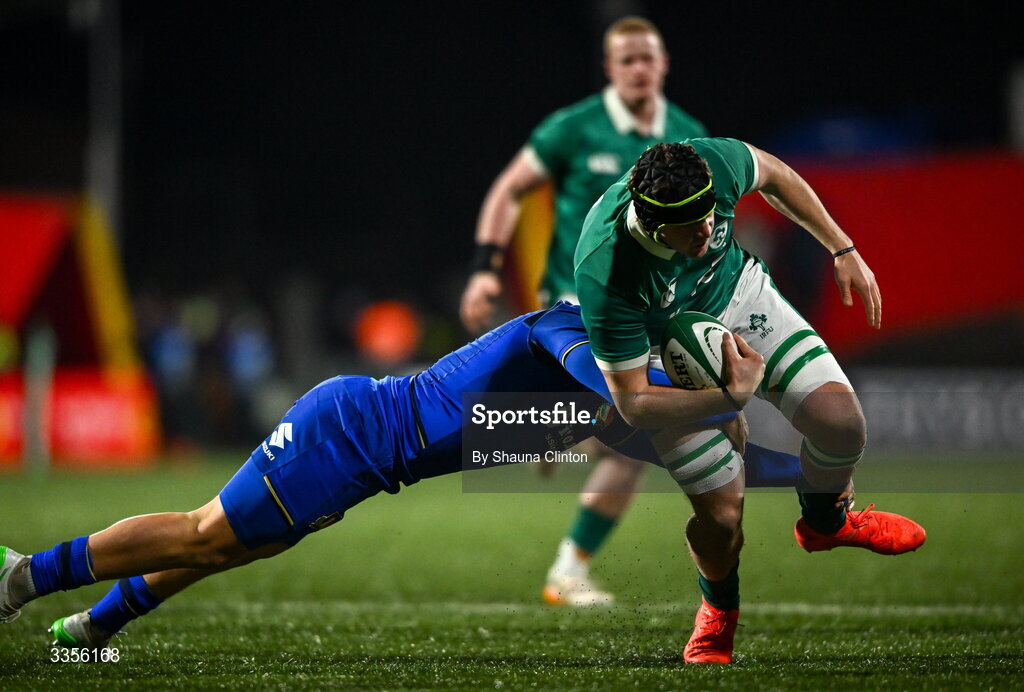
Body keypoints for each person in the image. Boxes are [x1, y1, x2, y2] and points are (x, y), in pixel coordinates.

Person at [0, 303, 798, 650]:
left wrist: (786, 463)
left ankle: (93, 630)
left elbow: (639, 436)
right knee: (208, 533)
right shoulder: (573, 328)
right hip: (347, 436)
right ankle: (24, 577)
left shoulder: (596, 387)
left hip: (364, 461)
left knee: (227, 549)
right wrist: (722, 396)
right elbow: (627, 403)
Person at [574, 138, 927, 664]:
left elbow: (779, 175)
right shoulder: (607, 269)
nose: (707, 229)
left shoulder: (710, 164)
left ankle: (825, 521)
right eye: (689, 225)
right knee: (722, 516)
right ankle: (717, 614)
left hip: (737, 296)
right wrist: (726, 399)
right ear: (651, 225)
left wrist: (842, 248)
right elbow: (633, 403)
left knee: (842, 424)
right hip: (660, 357)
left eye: (711, 214)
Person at [460, 16, 708, 607]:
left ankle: (558, 439)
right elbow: (507, 190)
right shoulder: (573, 128)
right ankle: (567, 567)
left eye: (647, 58)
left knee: (628, 431)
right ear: (609, 68)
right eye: (627, 60)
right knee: (643, 431)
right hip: (576, 307)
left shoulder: (689, 134)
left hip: (652, 310)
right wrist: (484, 267)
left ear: (665, 61)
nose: (639, 69)